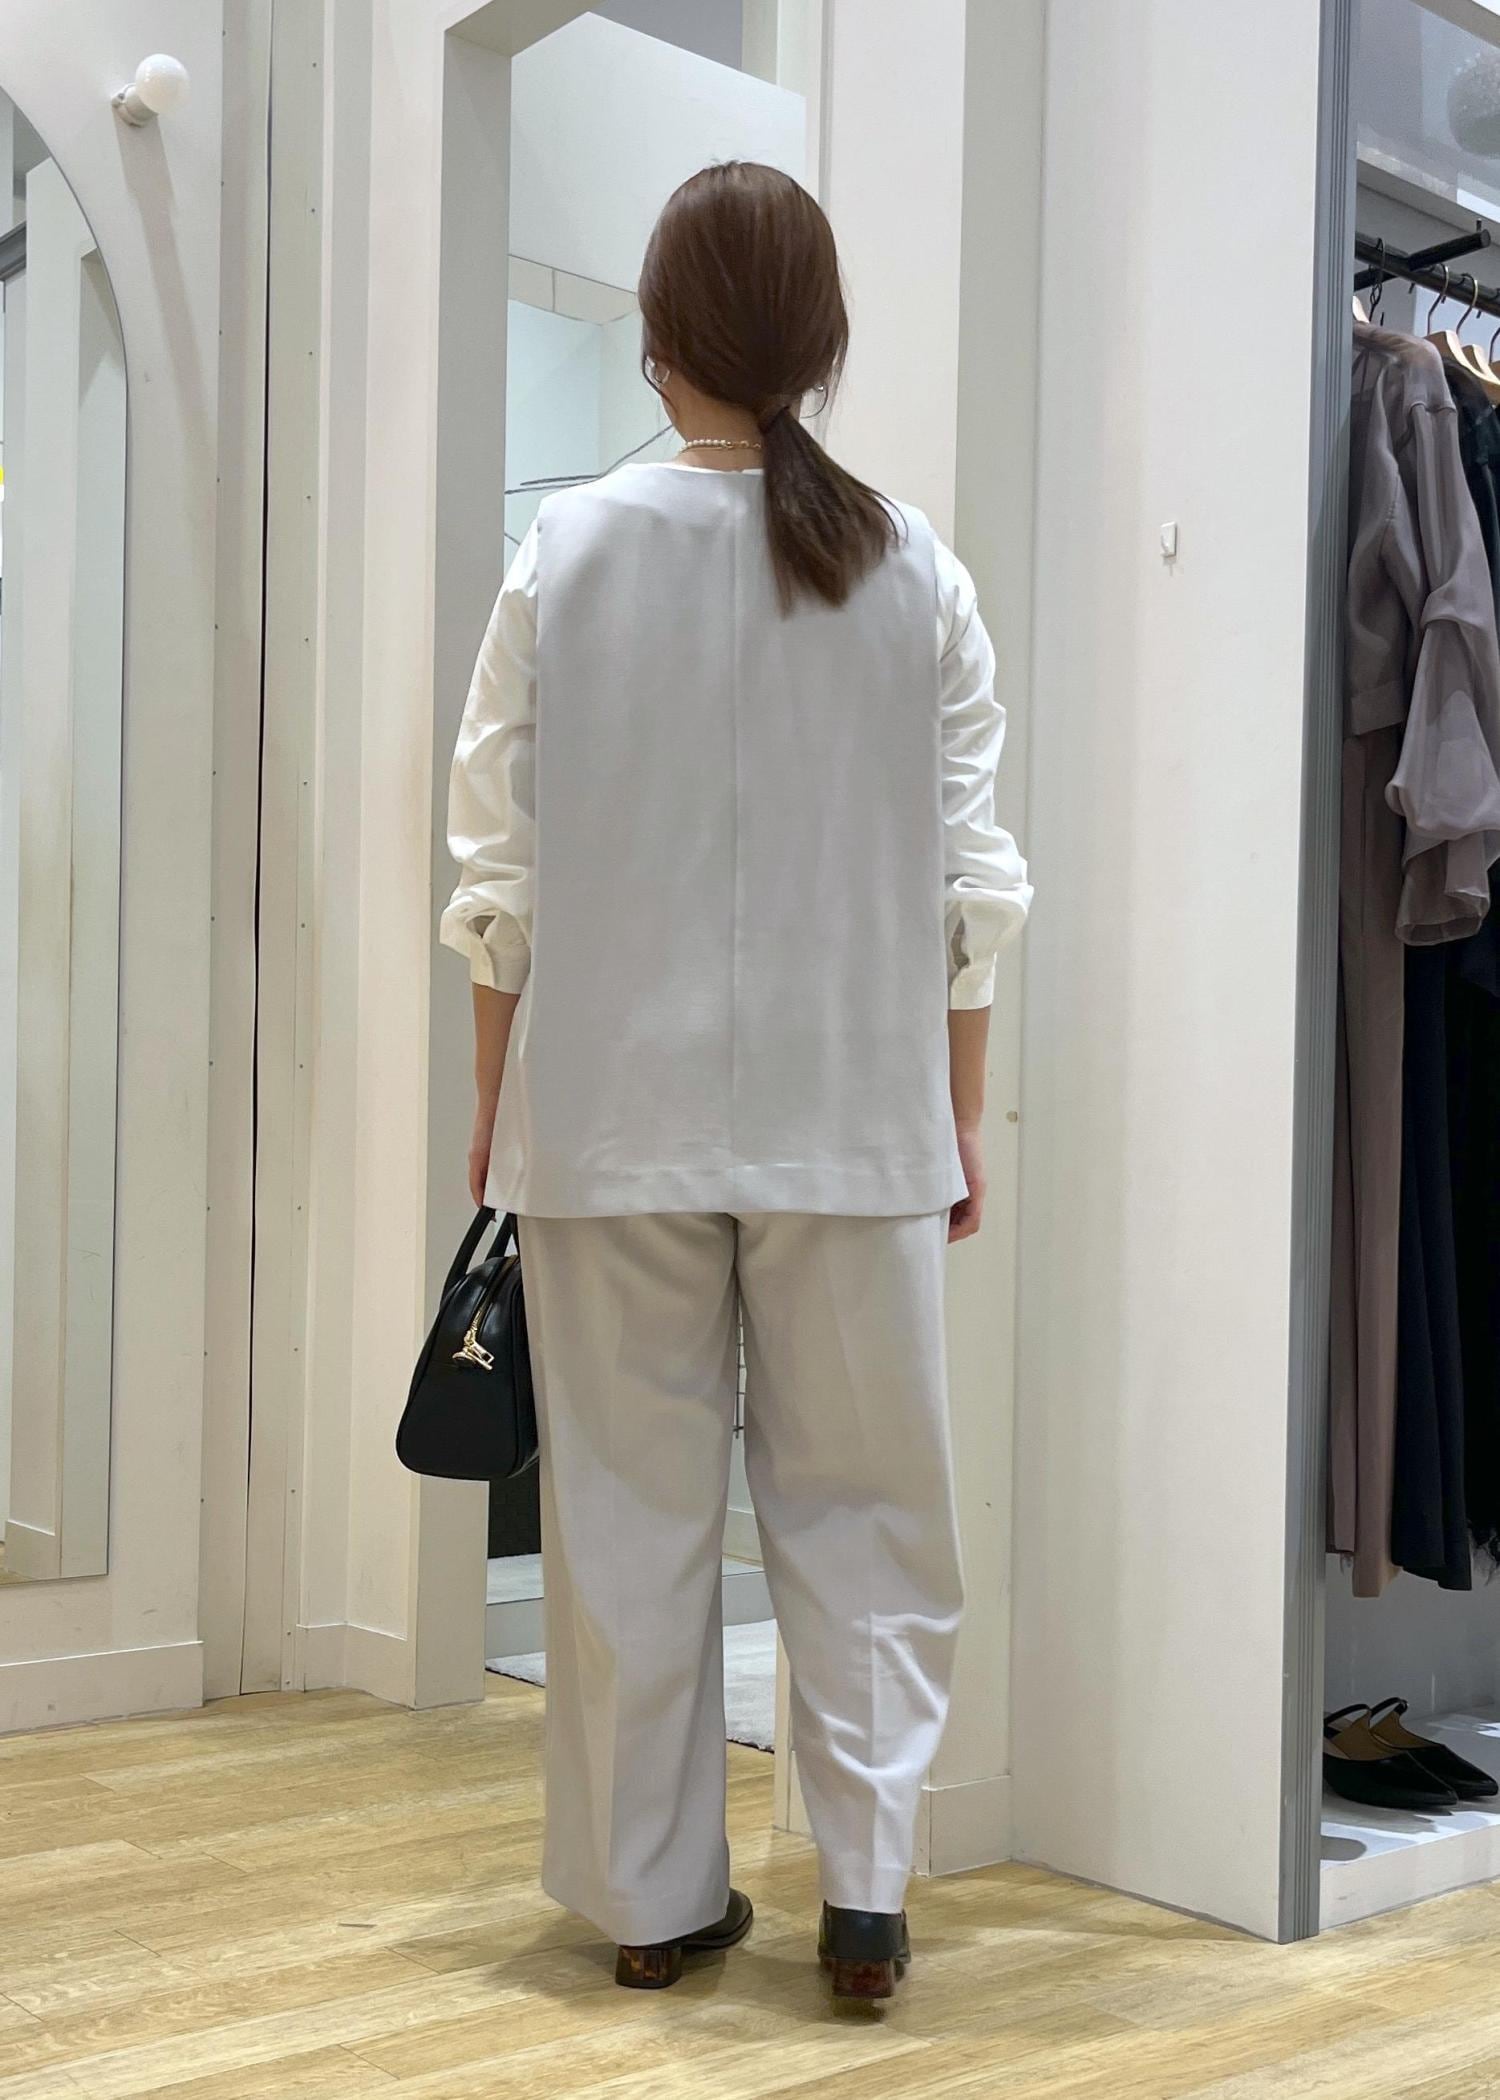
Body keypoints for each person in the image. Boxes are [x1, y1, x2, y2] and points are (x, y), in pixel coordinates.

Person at [440, 160, 1031, 2004]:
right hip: (857, 1116)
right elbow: (975, 887)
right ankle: (864, 1893)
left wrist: (495, 1107)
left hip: (605, 1118)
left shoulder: (564, 553)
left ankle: (652, 1903)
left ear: (657, 330)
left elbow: (497, 887)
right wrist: (958, 1110)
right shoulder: (915, 568)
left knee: (629, 1515)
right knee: (870, 1514)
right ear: (821, 338)